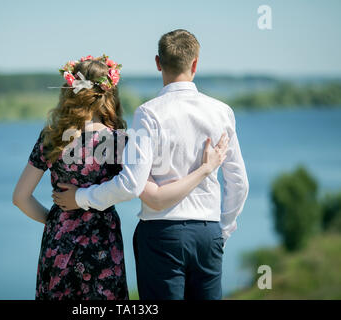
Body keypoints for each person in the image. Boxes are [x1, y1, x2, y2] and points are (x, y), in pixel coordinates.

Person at [53, 30, 249, 300]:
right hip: (208, 232)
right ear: (195, 64)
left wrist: (81, 196)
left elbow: (132, 184)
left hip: (161, 235)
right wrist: (221, 232)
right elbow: (239, 182)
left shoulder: (149, 113)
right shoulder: (222, 112)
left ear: (158, 63)